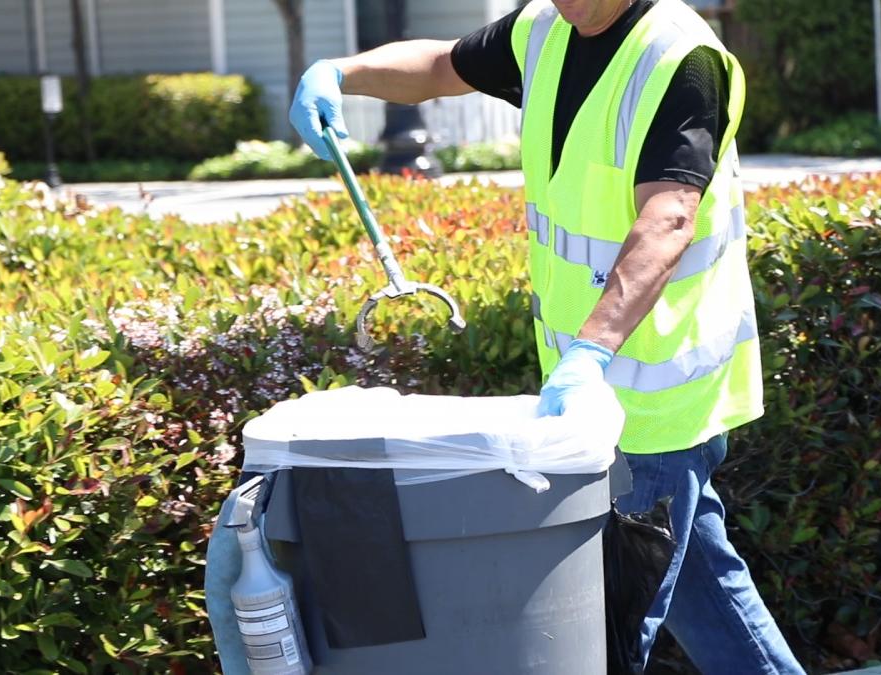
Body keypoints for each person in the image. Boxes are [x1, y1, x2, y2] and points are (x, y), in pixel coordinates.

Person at [289, 1, 805, 672]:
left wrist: (589, 352)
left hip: (651, 406)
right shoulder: (543, 30)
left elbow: (670, 215)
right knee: (706, 601)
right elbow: (444, 64)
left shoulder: (681, 57)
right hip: (590, 400)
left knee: (605, 642)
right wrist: (341, 72)